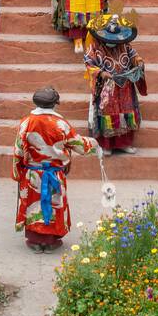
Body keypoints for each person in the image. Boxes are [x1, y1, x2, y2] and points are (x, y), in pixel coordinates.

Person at [11, 86, 100, 253]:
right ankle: (51, 241)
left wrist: (17, 171)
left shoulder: (25, 123)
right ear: (55, 104)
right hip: (54, 174)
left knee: (33, 204)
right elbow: (79, 145)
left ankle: (35, 241)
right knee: (54, 203)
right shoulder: (61, 124)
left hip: (32, 174)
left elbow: (18, 151)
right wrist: (95, 144)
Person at [84, 11, 147, 156]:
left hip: (124, 86)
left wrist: (138, 61)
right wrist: (101, 73)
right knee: (108, 114)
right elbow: (88, 62)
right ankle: (107, 145)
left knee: (126, 113)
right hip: (106, 87)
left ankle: (124, 143)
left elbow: (134, 55)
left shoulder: (125, 45)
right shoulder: (94, 48)